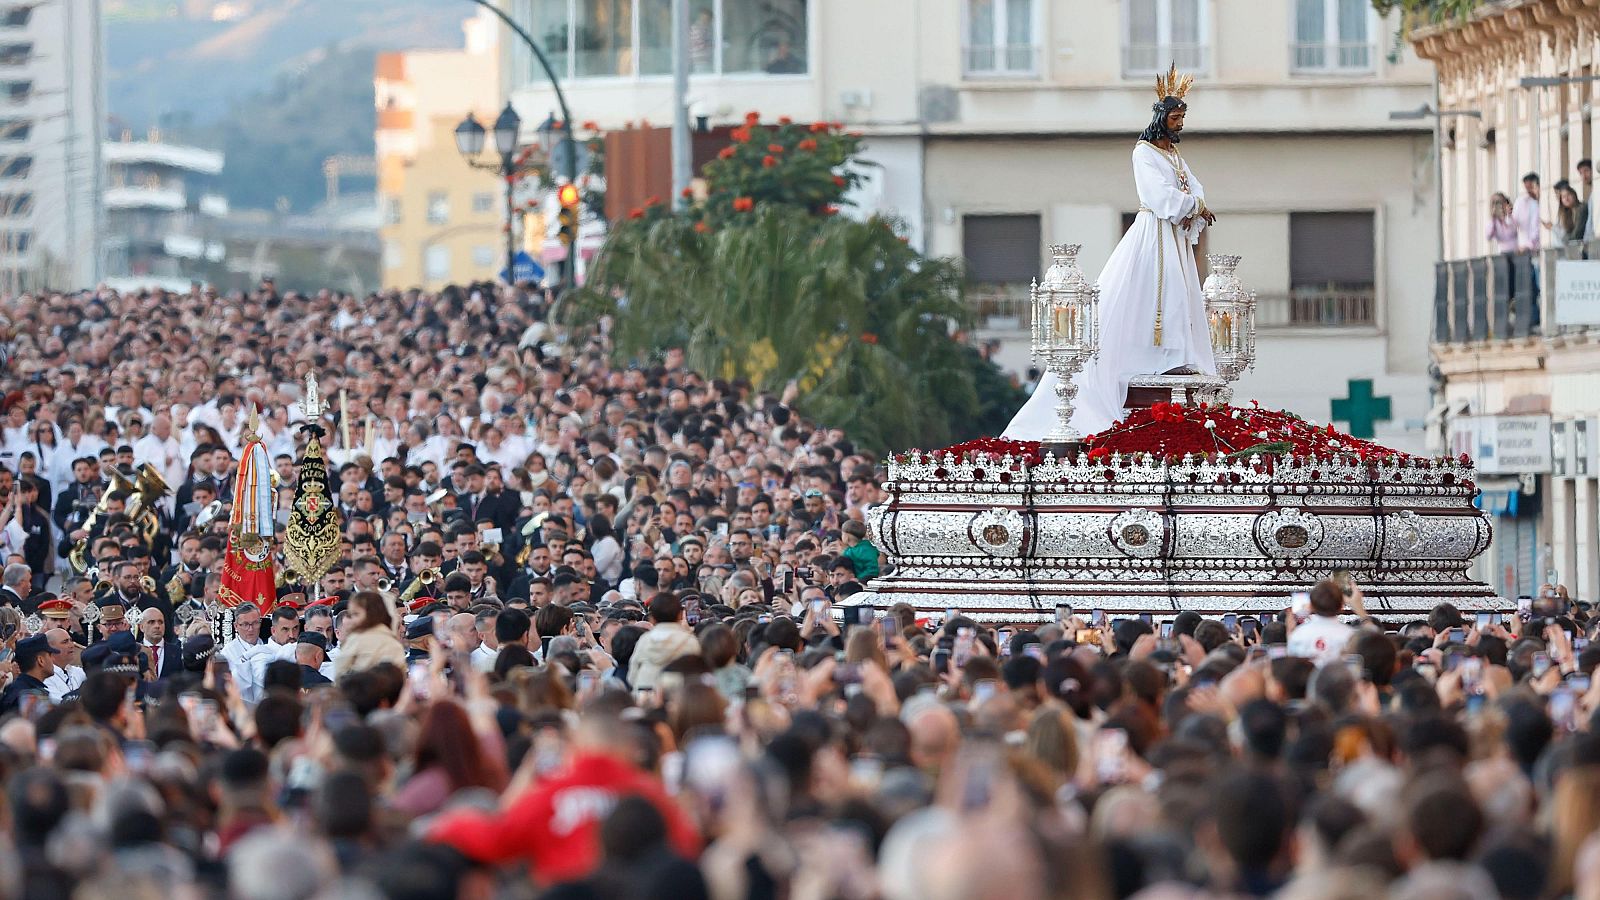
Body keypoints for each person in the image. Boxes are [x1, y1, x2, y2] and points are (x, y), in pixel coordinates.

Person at [1006, 63, 1216, 439]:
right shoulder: (1144, 153)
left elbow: (1195, 188)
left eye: (1184, 115)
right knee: (1157, 294)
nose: (1181, 121)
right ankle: (1157, 356)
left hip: (1175, 238)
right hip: (1155, 233)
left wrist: (1195, 204)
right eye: (1176, 115)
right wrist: (1193, 206)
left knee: (1180, 297)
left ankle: (1178, 356)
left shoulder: (1176, 157)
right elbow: (1161, 197)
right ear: (1162, 117)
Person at [335, 589, 406, 677]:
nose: (352, 619)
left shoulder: (389, 643)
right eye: (351, 615)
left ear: (372, 613)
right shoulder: (354, 639)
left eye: (356, 614)